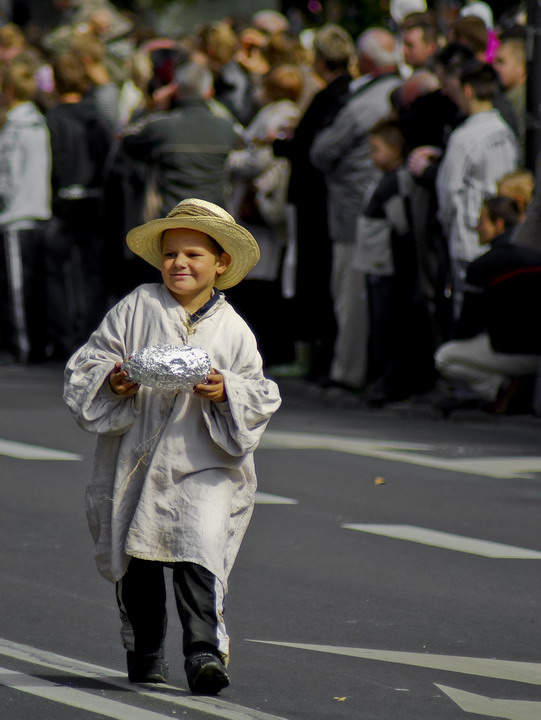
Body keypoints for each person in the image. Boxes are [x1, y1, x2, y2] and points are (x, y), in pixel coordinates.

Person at [63, 198, 281, 693]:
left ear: (221, 264)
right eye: (171, 254)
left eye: (194, 255)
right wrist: (117, 380)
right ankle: (144, 649)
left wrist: (225, 389)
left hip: (203, 461)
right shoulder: (137, 307)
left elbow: (259, 392)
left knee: (199, 551)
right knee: (139, 556)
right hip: (137, 457)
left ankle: (204, 652)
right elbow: (90, 364)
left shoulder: (234, 329)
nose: (179, 264)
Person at [310, 27, 402, 389]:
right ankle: (359, 369)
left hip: (354, 211)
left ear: (363, 61)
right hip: (371, 206)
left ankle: (348, 371)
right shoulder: (391, 91)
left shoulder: (364, 102)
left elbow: (321, 151)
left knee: (350, 295)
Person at [435, 195, 541, 415]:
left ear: (499, 224)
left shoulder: (483, 265)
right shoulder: (535, 257)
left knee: (445, 356)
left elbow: (467, 324)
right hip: (534, 348)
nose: (476, 227)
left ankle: (500, 389)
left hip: (508, 350)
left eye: (482, 221)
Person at [436, 60, 518, 318]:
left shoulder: (464, 138)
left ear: (468, 90)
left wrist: (447, 225)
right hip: (504, 233)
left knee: (468, 311)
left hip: (470, 236)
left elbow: (447, 190)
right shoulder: (505, 131)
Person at [0, 59, 51, 364]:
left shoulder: (14, 129)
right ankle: (36, 342)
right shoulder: (40, 123)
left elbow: (8, 177)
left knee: (18, 289)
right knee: (35, 285)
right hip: (38, 211)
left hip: (16, 215)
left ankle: (24, 346)